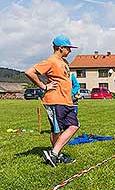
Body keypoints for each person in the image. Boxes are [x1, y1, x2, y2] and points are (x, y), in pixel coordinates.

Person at [25, 35, 79, 167]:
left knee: (74, 126)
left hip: (66, 101)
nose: (70, 51)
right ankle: (56, 155)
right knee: (57, 130)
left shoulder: (64, 62)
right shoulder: (51, 61)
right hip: (55, 100)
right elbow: (30, 72)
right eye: (68, 48)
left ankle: (54, 153)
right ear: (61, 48)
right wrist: (44, 86)